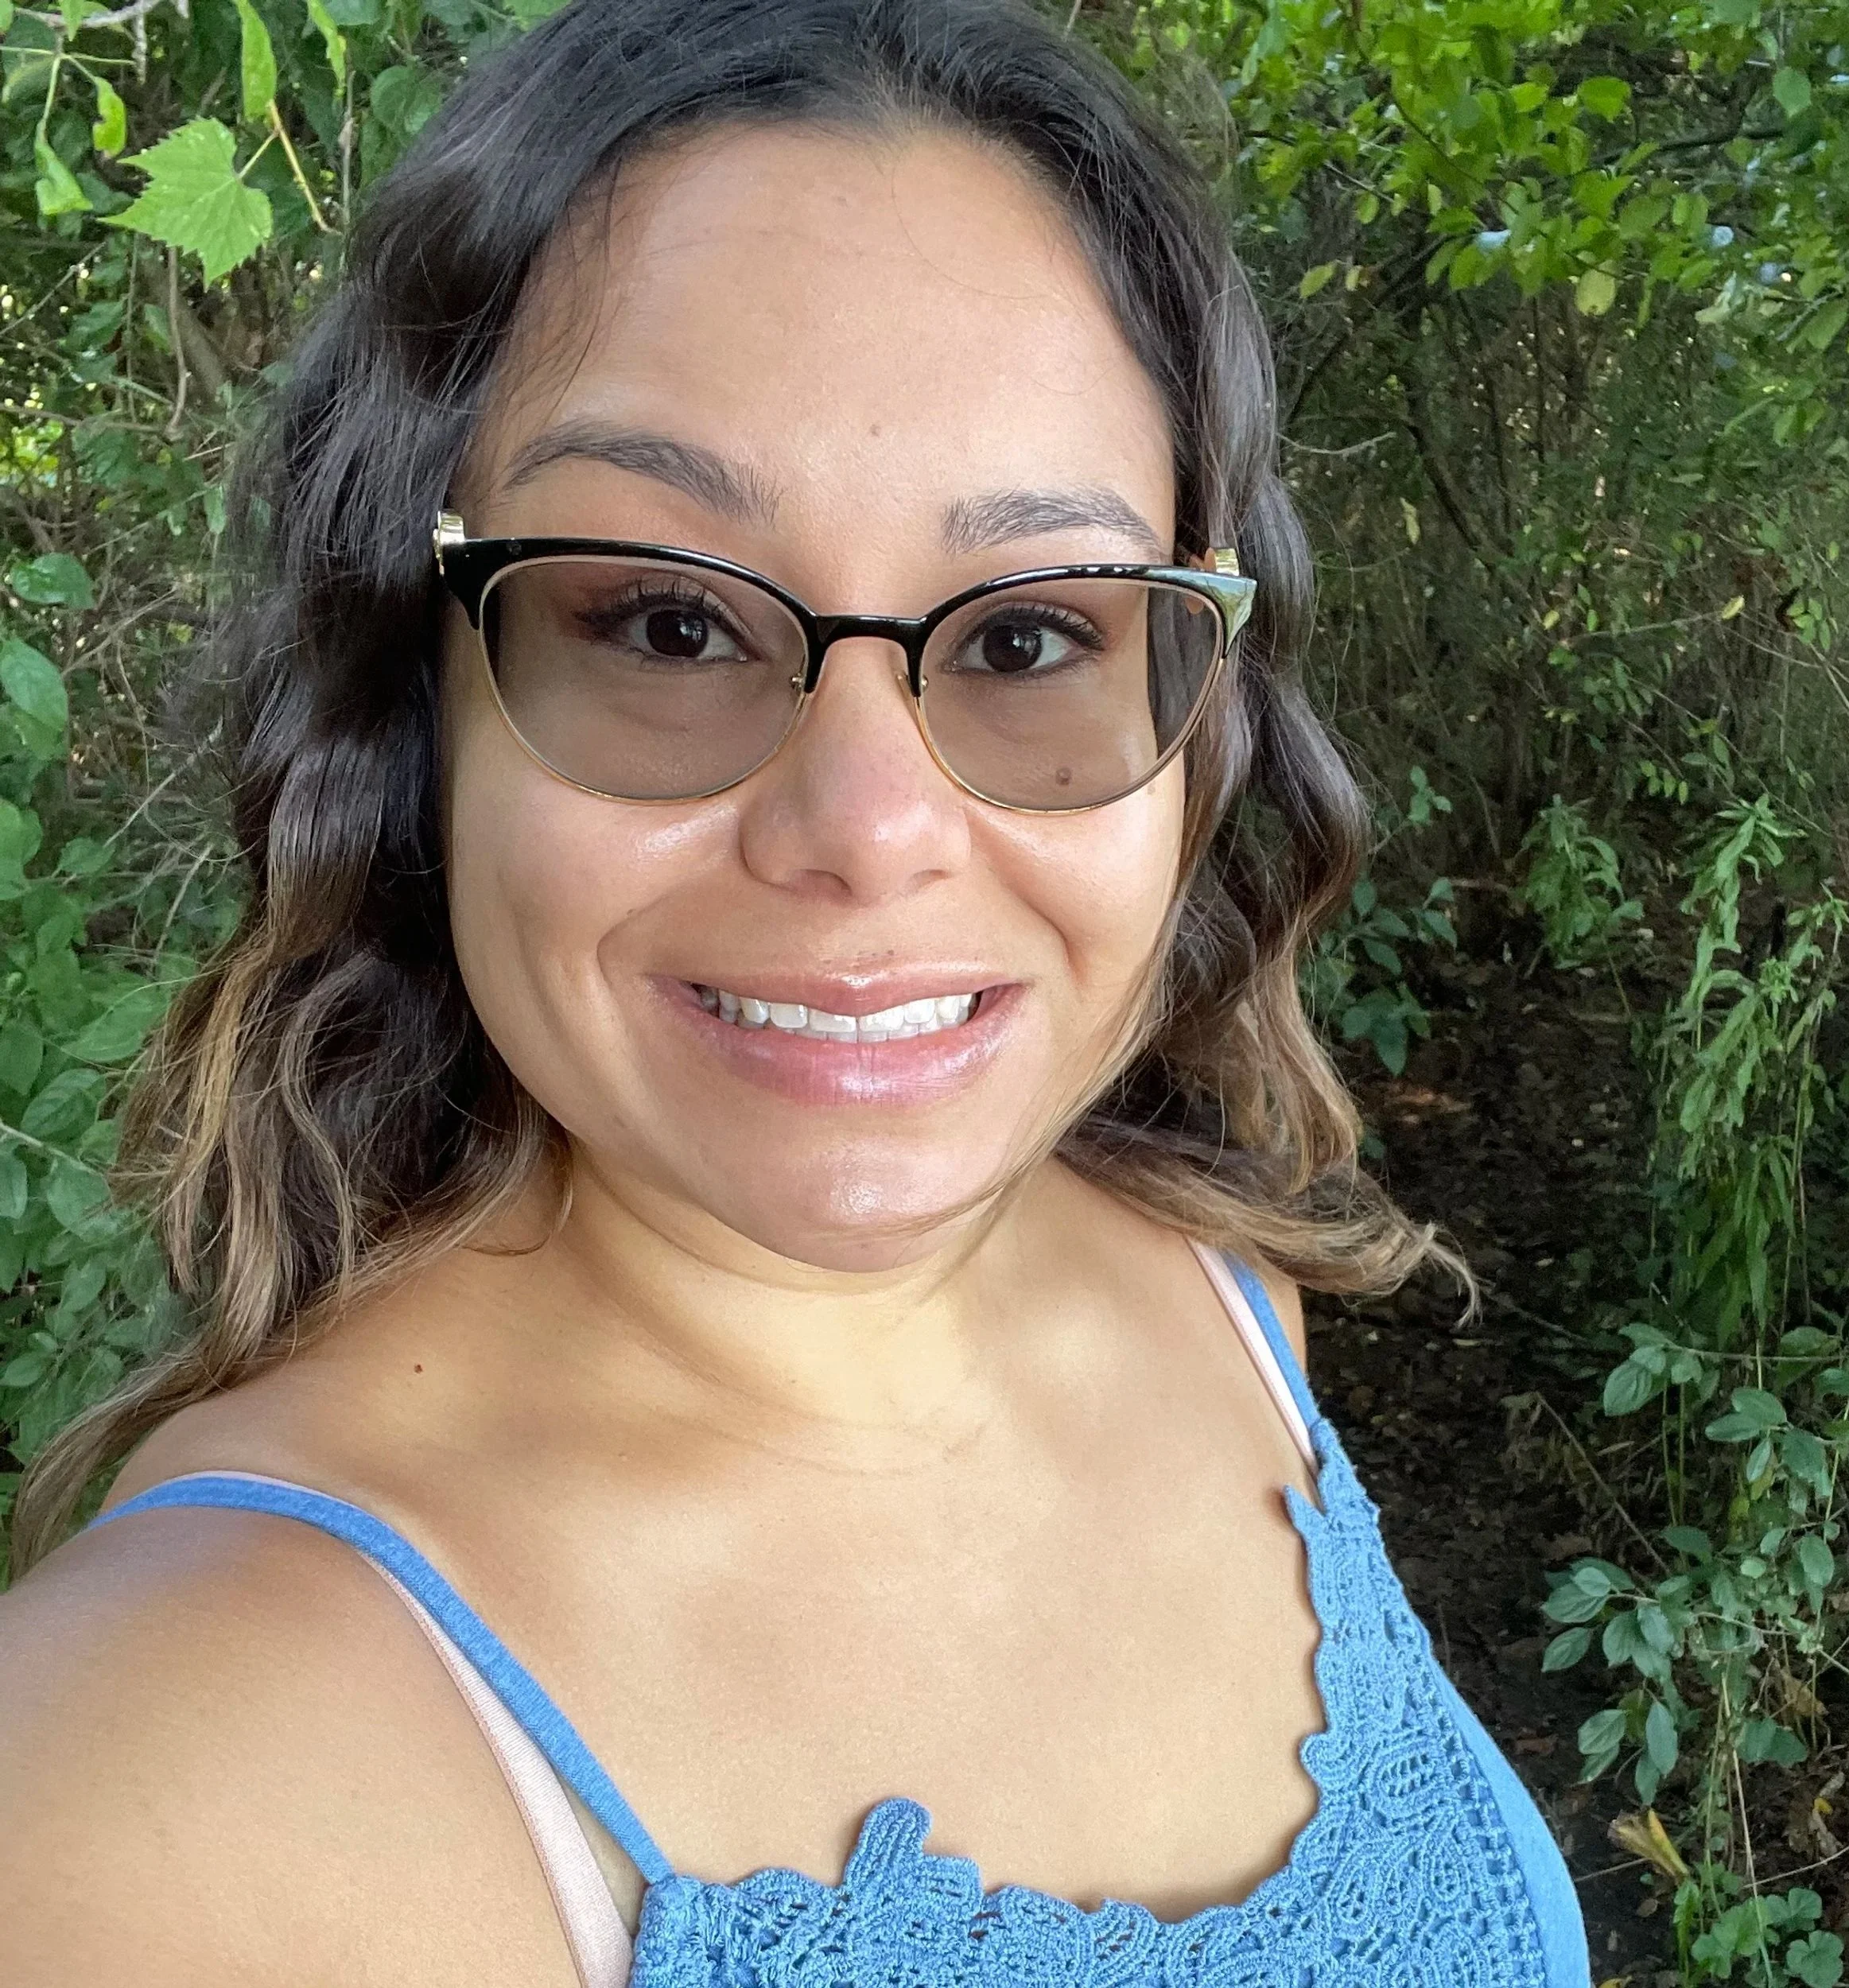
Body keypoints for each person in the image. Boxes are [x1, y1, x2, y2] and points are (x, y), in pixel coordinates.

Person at [0, 2, 1590, 1982]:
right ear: (416, 697)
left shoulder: (1219, 1286)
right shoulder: (148, 1789)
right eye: (668, 622)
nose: (868, 827)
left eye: (1027, 634)